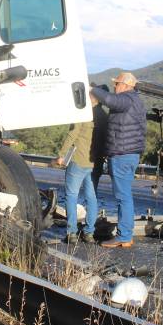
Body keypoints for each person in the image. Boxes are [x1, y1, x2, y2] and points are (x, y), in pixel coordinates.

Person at [91, 72, 146, 248]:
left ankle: (124, 236)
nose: (114, 87)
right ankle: (125, 235)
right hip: (129, 154)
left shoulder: (127, 99)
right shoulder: (135, 100)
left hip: (122, 154)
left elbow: (109, 100)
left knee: (123, 196)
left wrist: (90, 88)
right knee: (125, 195)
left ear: (125, 85)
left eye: (116, 84)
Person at [53, 93, 103, 244]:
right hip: (96, 163)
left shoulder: (83, 114)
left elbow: (72, 135)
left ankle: (72, 233)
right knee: (92, 198)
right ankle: (89, 233)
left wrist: (61, 154)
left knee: (71, 196)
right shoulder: (104, 116)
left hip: (78, 161)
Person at [90, 85, 110, 191]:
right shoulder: (105, 115)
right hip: (99, 156)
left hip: (91, 155)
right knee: (93, 187)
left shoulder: (90, 114)